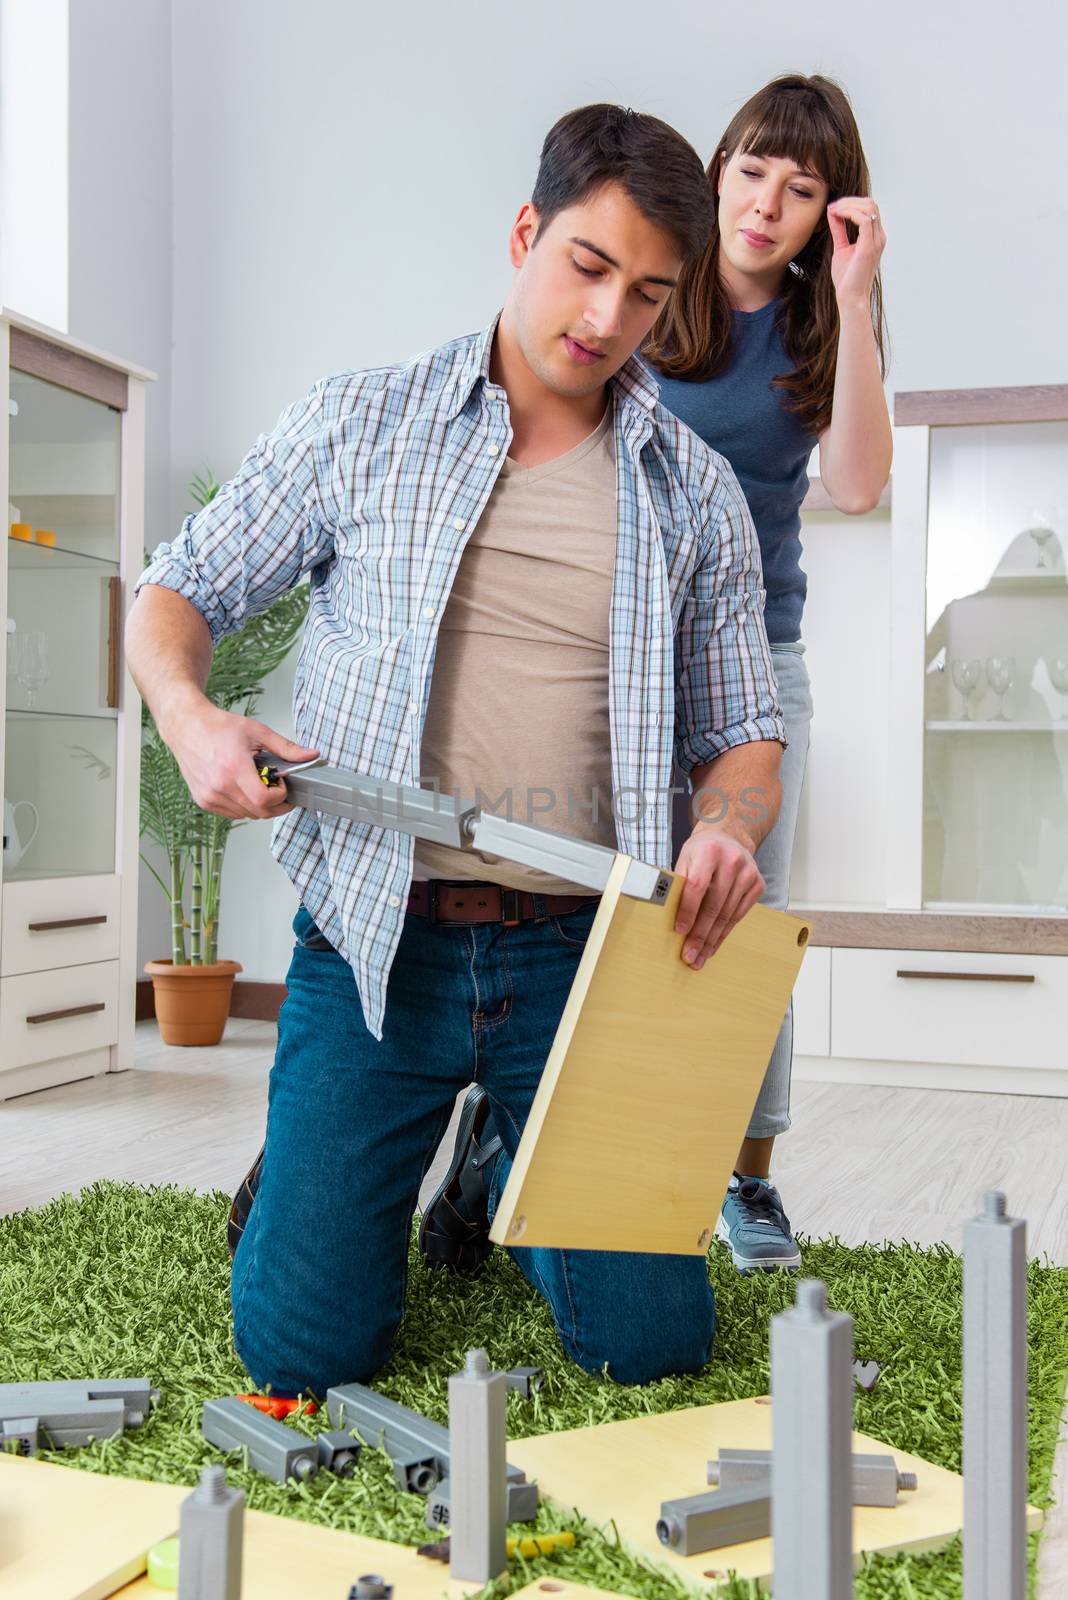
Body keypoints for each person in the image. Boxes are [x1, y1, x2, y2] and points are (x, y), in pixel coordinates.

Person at [127, 103, 787, 1398]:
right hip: (377, 949)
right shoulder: (359, 423)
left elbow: (746, 737)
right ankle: (332, 1154)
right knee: (304, 1352)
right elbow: (175, 593)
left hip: (580, 965)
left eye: (649, 297)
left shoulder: (693, 491)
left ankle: (496, 1161)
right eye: (588, 268)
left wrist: (729, 826)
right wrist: (193, 720)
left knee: (648, 1345)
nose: (607, 320)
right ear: (526, 231)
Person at [645, 73, 891, 1274]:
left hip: (758, 660)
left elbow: (855, 486)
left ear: (827, 212)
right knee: (607, 906)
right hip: (626, 651)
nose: (765, 203)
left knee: (745, 923)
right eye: (750, 169)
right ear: (717, 167)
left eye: (800, 188)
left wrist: (854, 297)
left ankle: (750, 1183)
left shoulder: (821, 321)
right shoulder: (653, 286)